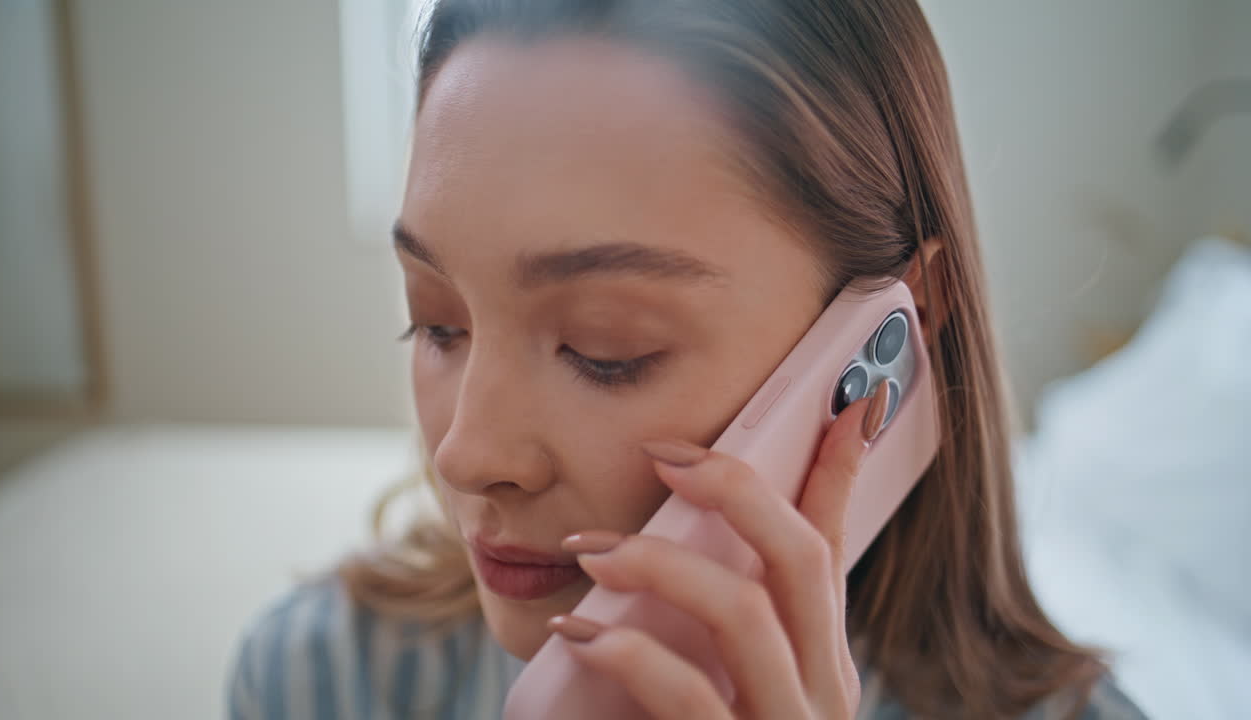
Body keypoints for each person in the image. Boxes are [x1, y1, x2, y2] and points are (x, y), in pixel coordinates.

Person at [227, 0, 1149, 717]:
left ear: (895, 338)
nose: (466, 454)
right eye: (438, 324)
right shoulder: (317, 681)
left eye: (606, 349)